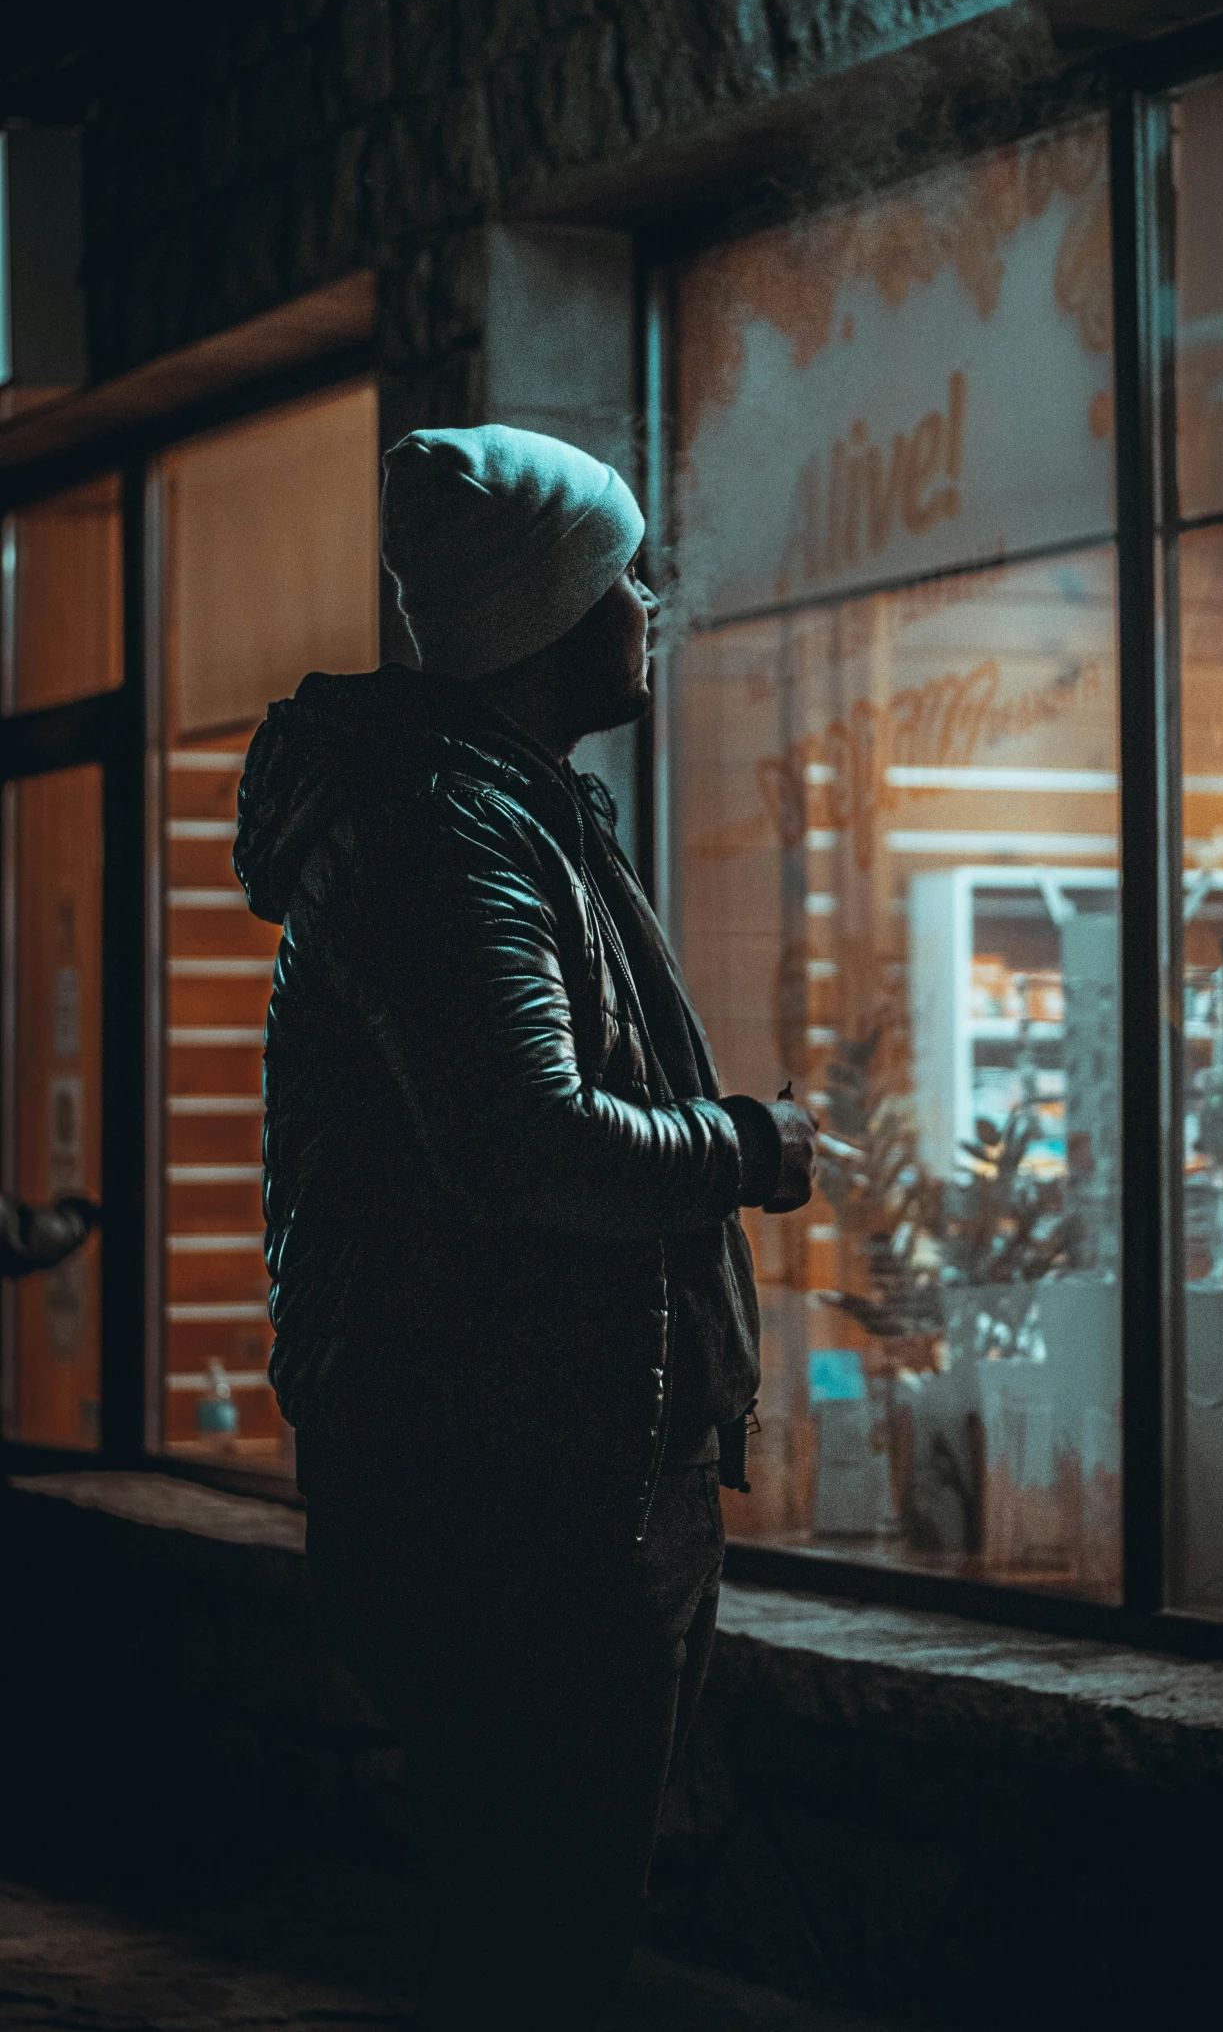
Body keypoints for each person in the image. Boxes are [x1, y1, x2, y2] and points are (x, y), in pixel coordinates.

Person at [233, 425, 815, 2029]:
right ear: (554, 613)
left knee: (540, 1903)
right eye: (623, 574)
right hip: (523, 1487)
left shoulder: (500, 809)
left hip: (536, 1466)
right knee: (542, 1924)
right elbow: (526, 1142)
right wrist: (749, 1145)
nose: (650, 599)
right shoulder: (445, 831)